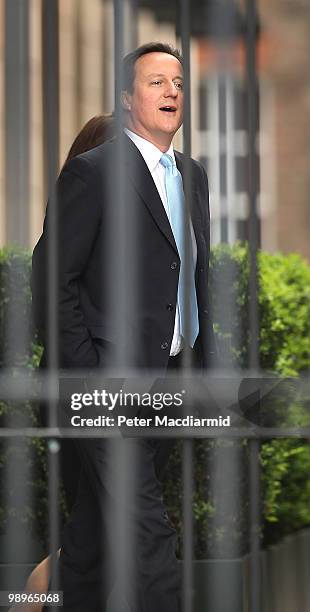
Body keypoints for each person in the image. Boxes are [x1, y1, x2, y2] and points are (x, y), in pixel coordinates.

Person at [32, 42, 216, 612]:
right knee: (147, 532)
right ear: (127, 96)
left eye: (178, 82)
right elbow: (52, 278)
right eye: (156, 81)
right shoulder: (94, 173)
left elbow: (188, 283)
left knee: (93, 539)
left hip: (168, 386)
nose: (171, 91)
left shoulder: (193, 176)